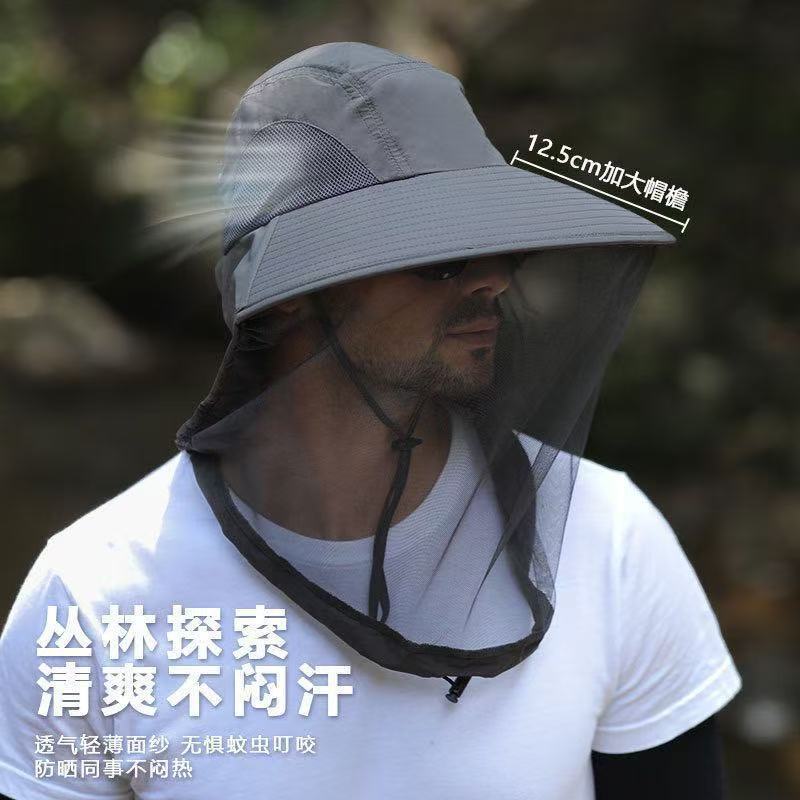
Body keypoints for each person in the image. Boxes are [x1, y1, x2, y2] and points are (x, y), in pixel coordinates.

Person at [0, 42, 741, 800]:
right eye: (440, 257)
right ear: (292, 292)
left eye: (499, 245)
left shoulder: (607, 539)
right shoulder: (93, 596)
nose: (493, 278)